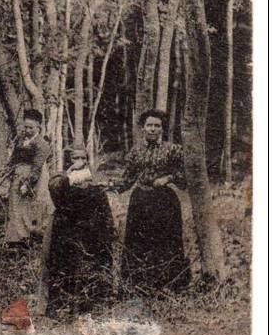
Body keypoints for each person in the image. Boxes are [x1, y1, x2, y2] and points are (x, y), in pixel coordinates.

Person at [116, 109, 190, 295]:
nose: (152, 129)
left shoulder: (172, 150)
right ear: (143, 128)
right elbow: (126, 180)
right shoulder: (136, 152)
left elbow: (185, 177)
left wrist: (168, 178)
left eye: (157, 126)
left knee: (165, 243)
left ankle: (167, 285)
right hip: (140, 201)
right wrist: (106, 186)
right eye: (149, 125)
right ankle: (139, 285)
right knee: (138, 242)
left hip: (165, 202)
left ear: (162, 129)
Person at [45, 143, 115, 317]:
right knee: (64, 266)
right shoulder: (61, 180)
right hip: (67, 232)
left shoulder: (93, 182)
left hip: (89, 232)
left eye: (83, 158)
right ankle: (63, 305)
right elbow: (55, 190)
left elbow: (103, 208)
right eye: (75, 158)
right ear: (69, 160)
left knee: (89, 265)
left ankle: (89, 303)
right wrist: (70, 177)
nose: (80, 161)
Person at [5, 109, 53, 247]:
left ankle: (32, 238)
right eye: (25, 127)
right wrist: (10, 168)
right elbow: (14, 157)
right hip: (18, 176)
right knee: (15, 205)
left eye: (31, 127)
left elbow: (37, 167)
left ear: (38, 126)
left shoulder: (42, 144)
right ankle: (16, 239)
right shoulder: (21, 140)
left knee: (33, 206)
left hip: (36, 178)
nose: (27, 130)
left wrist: (27, 183)